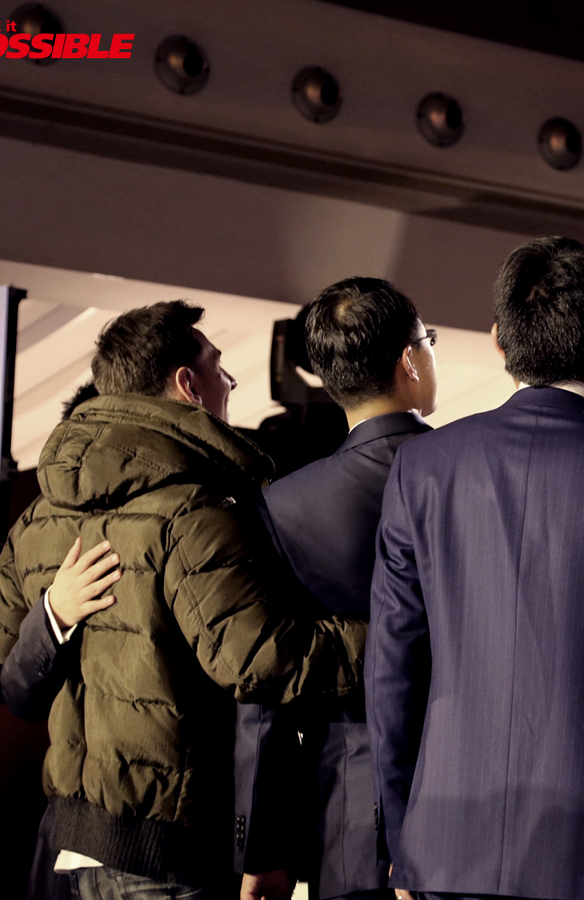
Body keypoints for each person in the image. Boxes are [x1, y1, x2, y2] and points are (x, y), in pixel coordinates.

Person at [0, 300, 368, 900]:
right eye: (219, 366)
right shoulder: (192, 509)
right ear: (187, 385)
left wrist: (50, 618)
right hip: (166, 855)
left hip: (75, 851)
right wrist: (391, 634)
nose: (231, 382)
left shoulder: (42, 517)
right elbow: (260, 660)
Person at [366, 236, 584, 900]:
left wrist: (403, 844)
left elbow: (392, 670)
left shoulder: (421, 468)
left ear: (500, 341)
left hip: (442, 854)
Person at [235, 278, 437, 900]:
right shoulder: (479, 475)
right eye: (428, 341)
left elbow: (266, 684)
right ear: (409, 360)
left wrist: (262, 849)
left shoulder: (282, 507)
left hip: (348, 810)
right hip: (477, 799)